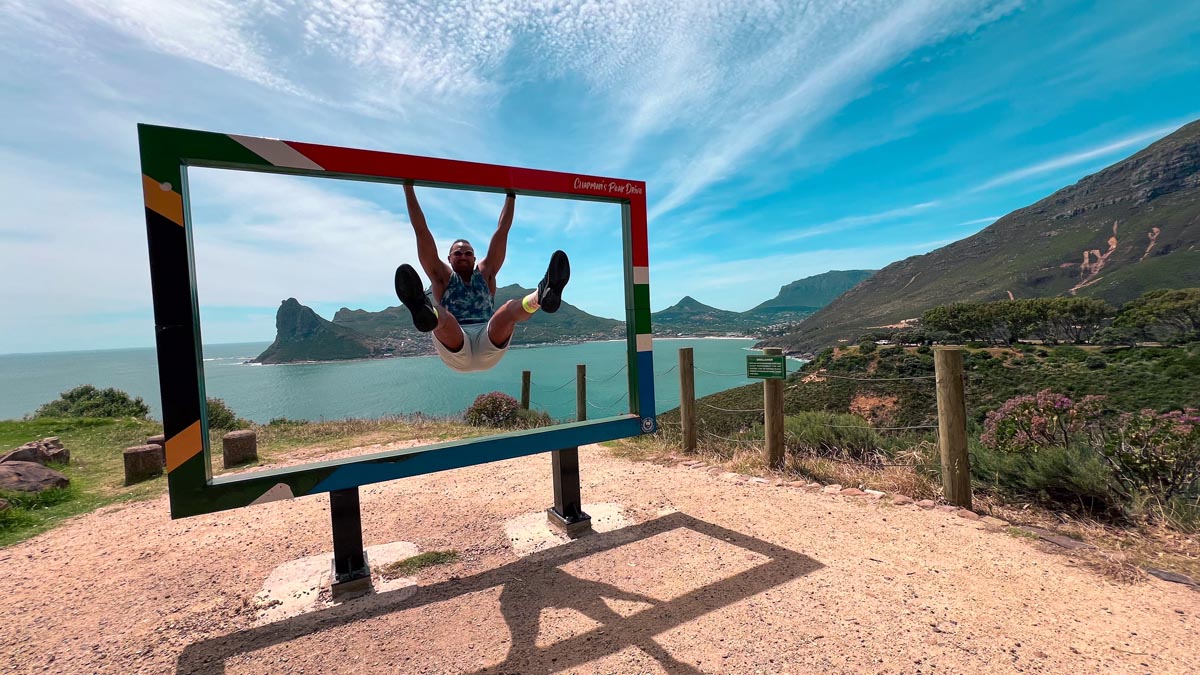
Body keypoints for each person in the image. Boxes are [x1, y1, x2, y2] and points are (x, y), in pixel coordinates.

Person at [394, 183, 570, 372]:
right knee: (443, 316)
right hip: (455, 342)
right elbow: (421, 231)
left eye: (468, 253)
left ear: (475, 258)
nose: (463, 256)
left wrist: (511, 195)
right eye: (458, 253)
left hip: (488, 340)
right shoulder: (442, 278)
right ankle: (424, 310)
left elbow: (502, 231)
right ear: (449, 259)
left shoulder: (486, 274)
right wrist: (408, 188)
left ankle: (540, 295)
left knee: (509, 309)